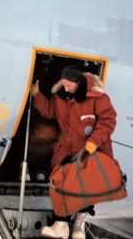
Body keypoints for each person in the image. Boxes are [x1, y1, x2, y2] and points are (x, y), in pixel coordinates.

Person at [32, 65, 117, 239]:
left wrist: (94, 141)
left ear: (78, 83)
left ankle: (79, 225)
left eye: (69, 85)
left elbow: (108, 120)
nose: (66, 89)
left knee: (87, 189)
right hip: (66, 149)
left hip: (90, 150)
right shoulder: (60, 97)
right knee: (61, 184)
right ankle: (60, 224)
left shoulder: (98, 98)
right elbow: (50, 111)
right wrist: (37, 95)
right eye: (63, 85)